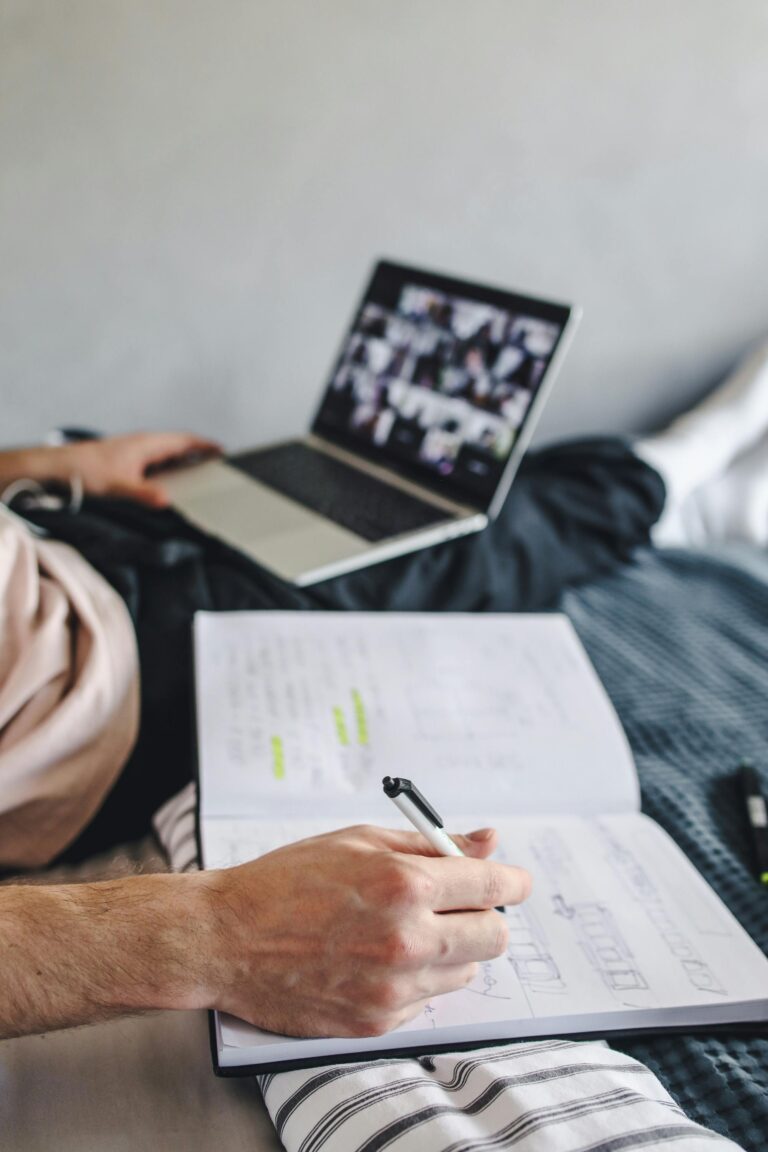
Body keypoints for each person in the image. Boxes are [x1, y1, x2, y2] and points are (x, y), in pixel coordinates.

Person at [1, 335, 766, 1043]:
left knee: (394, 494)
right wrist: (221, 932)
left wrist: (28, 466)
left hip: (50, 542)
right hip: (89, 677)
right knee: (444, 554)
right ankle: (675, 481)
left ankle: (672, 499)